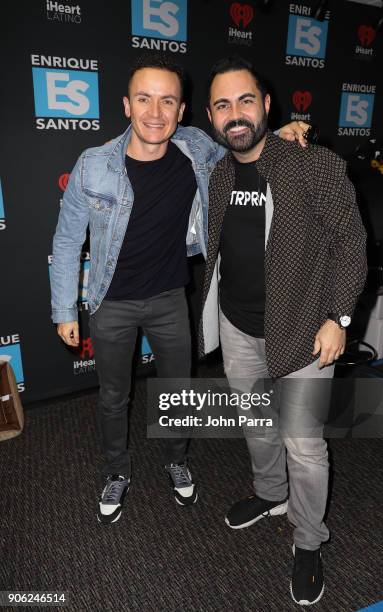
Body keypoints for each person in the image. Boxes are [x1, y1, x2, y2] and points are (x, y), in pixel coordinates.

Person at [50, 54, 309, 526]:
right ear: (126, 106)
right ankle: (116, 470)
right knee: (113, 396)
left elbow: (247, 143)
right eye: (144, 99)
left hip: (171, 297)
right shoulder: (93, 166)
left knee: (179, 393)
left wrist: (284, 133)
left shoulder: (196, 150)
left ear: (183, 110)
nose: (155, 112)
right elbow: (68, 240)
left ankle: (175, 459)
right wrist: (65, 308)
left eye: (167, 100)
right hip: (110, 302)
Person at [199, 56, 367, 606]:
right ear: (211, 116)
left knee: (305, 447)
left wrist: (339, 317)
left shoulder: (313, 165)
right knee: (255, 424)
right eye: (223, 105)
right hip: (239, 326)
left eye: (246, 101)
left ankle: (309, 539)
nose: (236, 114)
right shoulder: (218, 170)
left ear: (267, 105)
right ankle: (270, 495)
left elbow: (350, 246)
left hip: (303, 332)